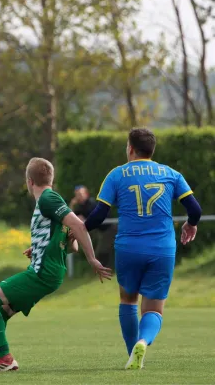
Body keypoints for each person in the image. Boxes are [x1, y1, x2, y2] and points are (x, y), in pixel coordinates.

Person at [0, 157, 112, 372]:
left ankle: (5, 358)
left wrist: (92, 259)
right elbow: (70, 245)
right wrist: (38, 248)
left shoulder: (47, 199)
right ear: (50, 179)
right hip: (50, 271)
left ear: (29, 181)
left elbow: (78, 226)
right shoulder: (54, 201)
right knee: (1, 311)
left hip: (43, 272)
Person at [84, 128, 202, 370]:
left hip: (129, 248)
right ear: (152, 150)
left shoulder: (117, 175)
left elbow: (97, 217)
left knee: (128, 301)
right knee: (154, 309)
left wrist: (77, 230)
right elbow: (195, 210)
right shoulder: (170, 174)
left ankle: (132, 355)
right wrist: (190, 225)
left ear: (130, 148)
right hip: (162, 249)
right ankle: (143, 341)